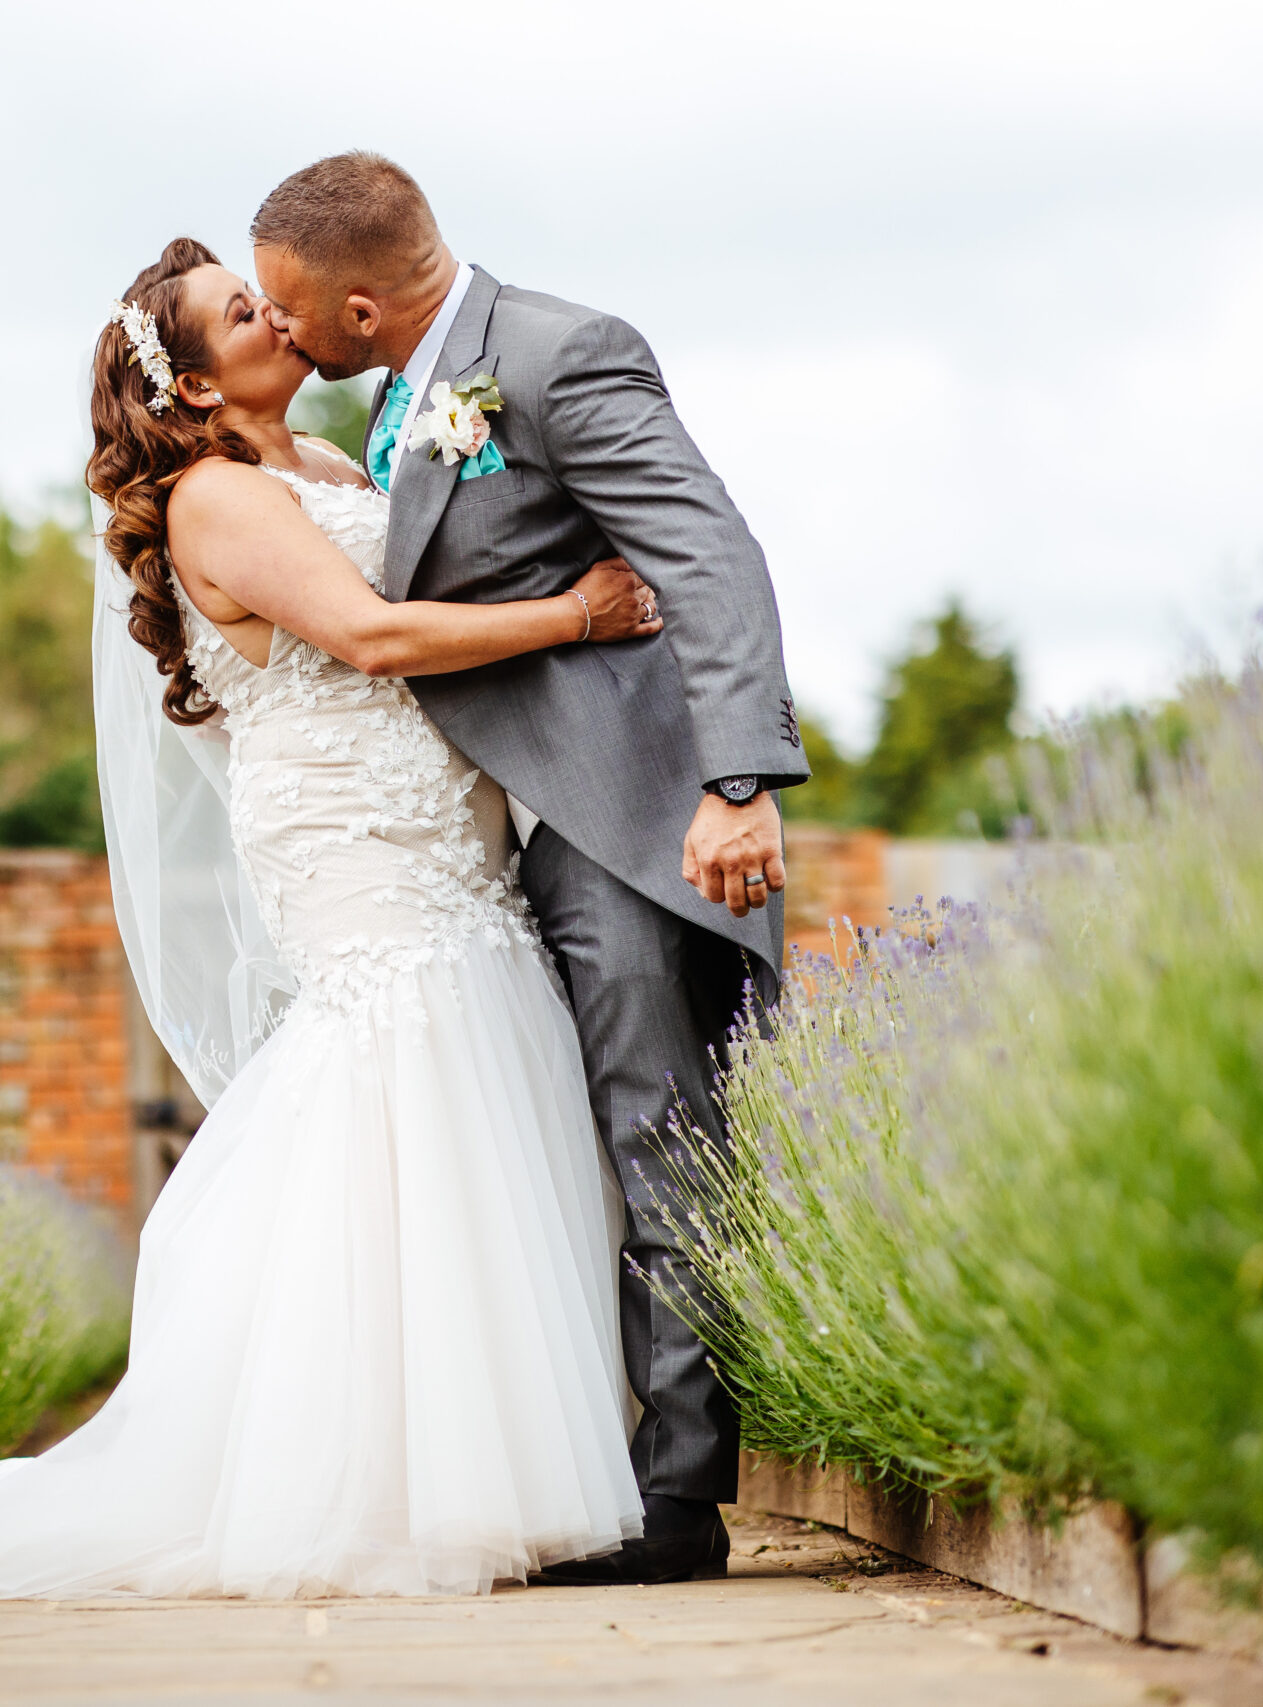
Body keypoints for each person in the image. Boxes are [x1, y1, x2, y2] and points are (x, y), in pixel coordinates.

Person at [0, 234, 667, 1599]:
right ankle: (393, 1481)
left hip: (444, 839)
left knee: (468, 1084)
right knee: (405, 1076)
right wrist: (578, 612)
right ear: (199, 386)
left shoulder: (332, 469)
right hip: (354, 838)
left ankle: (461, 1451)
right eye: (239, 310)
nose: (275, 312)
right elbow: (378, 639)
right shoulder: (215, 498)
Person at [251, 152, 811, 1585]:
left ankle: (679, 1504)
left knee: (657, 1140)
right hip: (490, 843)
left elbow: (709, 551)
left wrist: (739, 782)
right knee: (566, 1160)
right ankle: (596, 1462)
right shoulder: (386, 406)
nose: (284, 333)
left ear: (364, 304)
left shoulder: (562, 354)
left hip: (623, 821)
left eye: (290, 308)